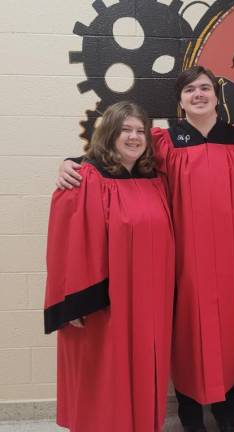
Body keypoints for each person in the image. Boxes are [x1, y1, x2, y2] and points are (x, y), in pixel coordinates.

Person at [56, 66, 234, 432]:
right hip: (180, 262)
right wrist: (71, 162)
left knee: (227, 334)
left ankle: (226, 410)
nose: (199, 94)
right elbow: (112, 158)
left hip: (230, 259)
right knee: (186, 334)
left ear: (217, 97)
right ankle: (191, 412)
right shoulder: (164, 141)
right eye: (190, 89)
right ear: (179, 100)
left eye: (205, 88)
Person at [44, 101, 175, 431]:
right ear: (109, 134)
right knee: (106, 373)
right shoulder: (85, 179)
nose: (133, 137)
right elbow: (64, 245)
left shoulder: (153, 178)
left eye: (140, 130)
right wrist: (71, 299)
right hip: (106, 302)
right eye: (124, 130)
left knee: (145, 368)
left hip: (149, 302)